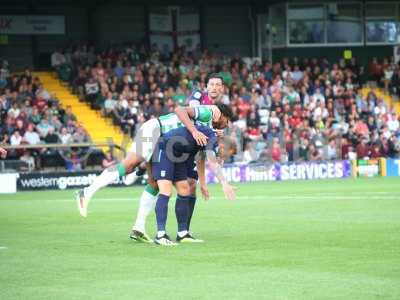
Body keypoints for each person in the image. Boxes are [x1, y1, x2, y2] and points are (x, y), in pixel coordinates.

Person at [152, 124, 236, 246]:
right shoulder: (211, 138)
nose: (225, 157)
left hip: (178, 154)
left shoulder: (208, 139)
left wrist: (203, 184)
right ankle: (160, 235)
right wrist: (224, 184)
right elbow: (212, 162)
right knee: (166, 190)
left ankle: (182, 234)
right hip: (164, 148)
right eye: (227, 154)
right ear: (222, 146)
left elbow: (200, 159)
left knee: (185, 190)